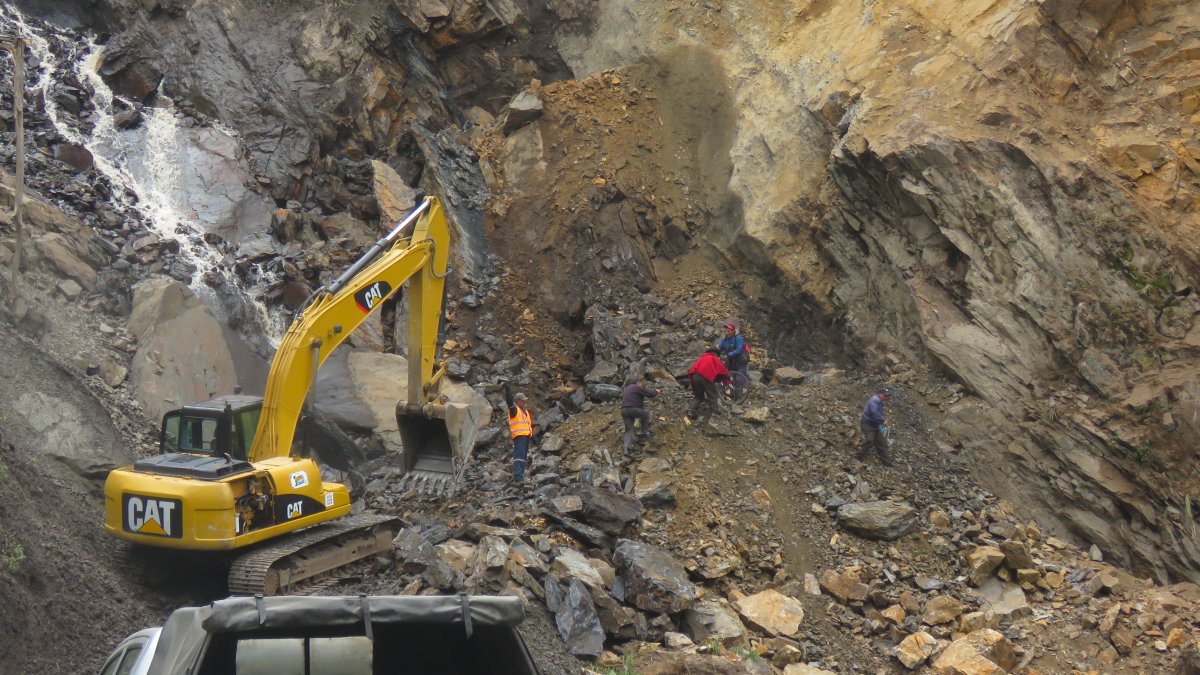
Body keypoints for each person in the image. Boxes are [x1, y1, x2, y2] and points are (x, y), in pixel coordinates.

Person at [686, 347, 732, 425]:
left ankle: (691, 411)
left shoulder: (702, 358)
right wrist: (729, 377)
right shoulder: (713, 357)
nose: (717, 356)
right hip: (705, 376)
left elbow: (693, 368)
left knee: (699, 397)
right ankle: (714, 413)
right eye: (717, 355)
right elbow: (721, 369)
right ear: (715, 353)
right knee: (713, 395)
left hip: (695, 377)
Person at [856, 386, 894, 466]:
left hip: (876, 425)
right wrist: (883, 421)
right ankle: (858, 457)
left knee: (882, 443)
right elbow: (875, 413)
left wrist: (882, 423)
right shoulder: (874, 400)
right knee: (870, 440)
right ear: (880, 394)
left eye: (887, 395)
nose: (886, 397)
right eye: (885, 395)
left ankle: (887, 463)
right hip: (867, 424)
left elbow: (878, 414)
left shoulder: (880, 401)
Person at [504, 383, 535, 481]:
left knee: (523, 457)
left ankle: (520, 474)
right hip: (519, 436)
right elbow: (509, 403)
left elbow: (527, 425)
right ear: (518, 401)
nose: (524, 402)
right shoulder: (515, 410)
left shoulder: (525, 412)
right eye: (523, 400)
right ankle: (518, 477)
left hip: (526, 437)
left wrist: (532, 436)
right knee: (519, 456)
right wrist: (508, 391)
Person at [620, 377, 660, 453]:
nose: (641, 385)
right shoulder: (636, 387)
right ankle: (644, 433)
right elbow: (648, 393)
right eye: (641, 383)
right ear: (637, 382)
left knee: (629, 430)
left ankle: (626, 449)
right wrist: (656, 391)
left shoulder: (627, 389)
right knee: (646, 414)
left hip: (624, 410)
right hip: (633, 409)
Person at [718, 322, 749, 400]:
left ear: (733, 331)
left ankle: (739, 400)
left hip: (741, 362)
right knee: (731, 380)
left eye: (729, 331)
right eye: (726, 331)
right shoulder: (725, 340)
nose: (727, 332)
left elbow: (739, 349)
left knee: (739, 380)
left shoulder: (738, 338)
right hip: (732, 363)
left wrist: (728, 355)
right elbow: (720, 347)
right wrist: (715, 349)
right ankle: (732, 399)